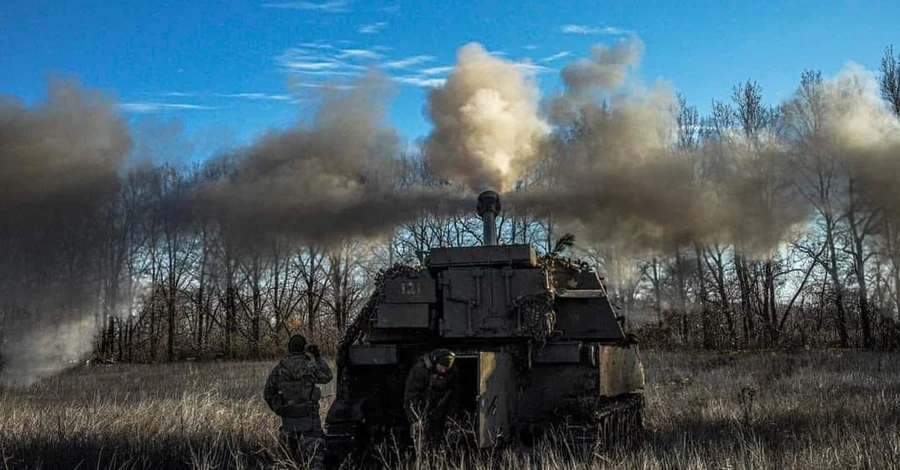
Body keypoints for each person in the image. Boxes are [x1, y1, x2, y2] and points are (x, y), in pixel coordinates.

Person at [264, 334, 333, 470]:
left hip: (289, 420)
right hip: (309, 418)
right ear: (304, 349)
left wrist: (280, 408)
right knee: (315, 457)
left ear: (289, 349)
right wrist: (317, 357)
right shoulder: (310, 366)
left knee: (287, 459)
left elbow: (268, 393)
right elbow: (328, 376)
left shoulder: (280, 369)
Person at [403, 348, 460, 449]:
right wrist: (415, 419)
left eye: (446, 369)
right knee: (422, 447)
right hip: (421, 413)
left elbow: (454, 397)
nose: (443, 371)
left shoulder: (452, 373)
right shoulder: (420, 370)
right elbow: (411, 396)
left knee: (440, 446)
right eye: (441, 367)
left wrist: (451, 417)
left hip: (439, 414)